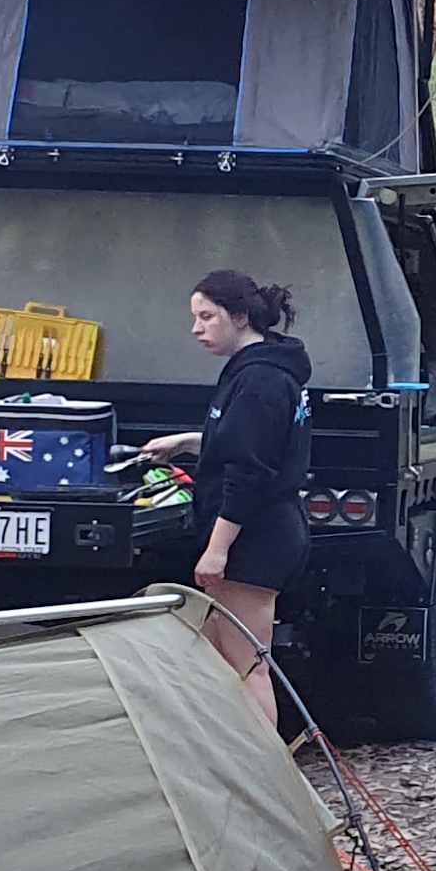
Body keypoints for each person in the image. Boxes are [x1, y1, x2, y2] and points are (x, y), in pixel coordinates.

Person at [133, 270, 312, 724]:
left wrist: (217, 550)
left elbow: (250, 470)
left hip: (257, 536)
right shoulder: (257, 372)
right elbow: (243, 440)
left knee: (248, 664)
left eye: (207, 317)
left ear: (239, 316)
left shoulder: (261, 381)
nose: (196, 328)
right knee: (216, 656)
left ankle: (263, 778)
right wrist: (189, 442)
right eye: (194, 317)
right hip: (255, 532)